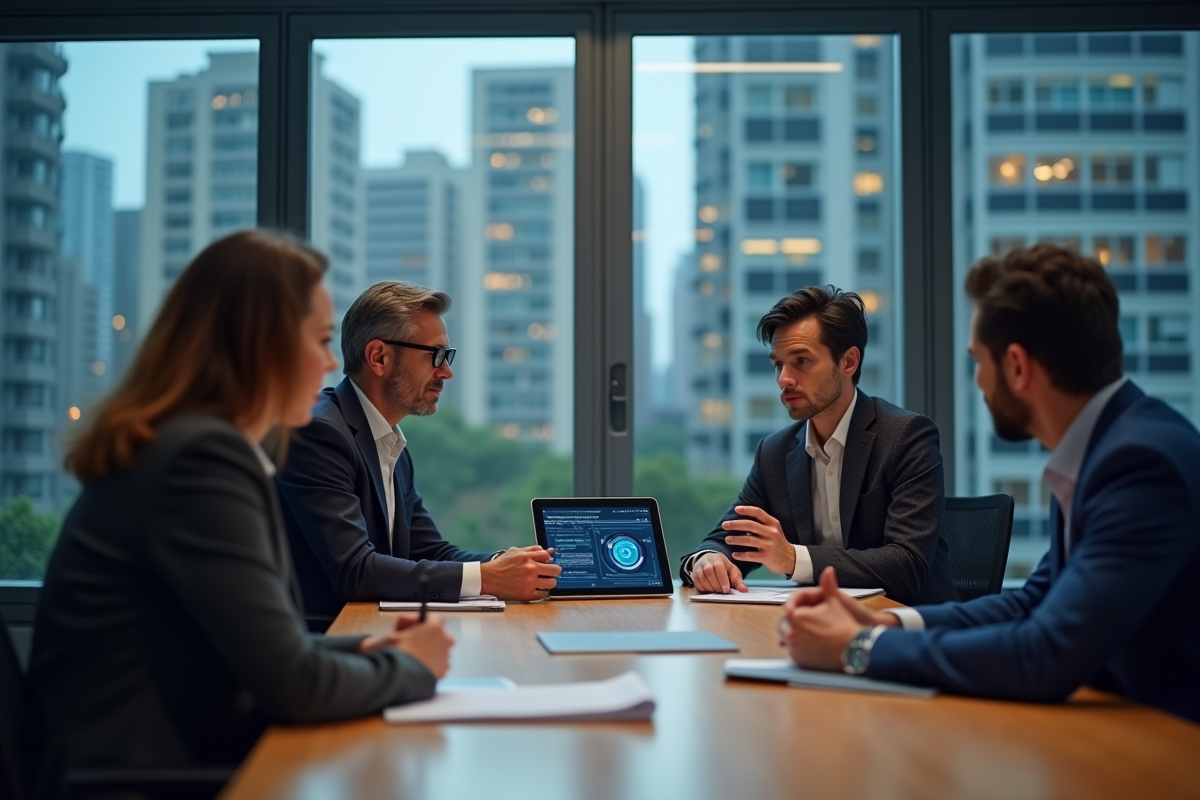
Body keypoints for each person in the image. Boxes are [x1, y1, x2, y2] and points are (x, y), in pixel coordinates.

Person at [28, 231, 454, 791]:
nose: (331, 361)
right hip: (142, 777)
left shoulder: (192, 445)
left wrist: (371, 647)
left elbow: (269, 648)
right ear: (260, 346)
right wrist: (412, 667)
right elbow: (293, 684)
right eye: (322, 340)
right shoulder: (200, 460)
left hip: (175, 749)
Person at [781, 245, 1200, 723]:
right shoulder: (1104, 448)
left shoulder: (1139, 464)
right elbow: (1033, 601)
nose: (978, 382)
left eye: (978, 361)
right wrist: (886, 622)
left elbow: (1047, 653)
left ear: (1017, 367)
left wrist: (861, 648)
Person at [275, 282, 561, 617]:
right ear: (379, 357)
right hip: (324, 643)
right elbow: (355, 570)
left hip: (372, 633)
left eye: (447, 356)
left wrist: (507, 564)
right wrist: (490, 578)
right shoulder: (319, 433)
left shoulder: (389, 442)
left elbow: (429, 550)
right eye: (435, 355)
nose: (447, 372)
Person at [679, 286, 957, 606]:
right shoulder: (775, 452)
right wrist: (708, 560)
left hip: (907, 627)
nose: (784, 379)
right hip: (818, 623)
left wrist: (793, 558)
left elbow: (907, 565)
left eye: (801, 361)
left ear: (848, 361)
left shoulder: (906, 436)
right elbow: (727, 540)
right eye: (778, 364)